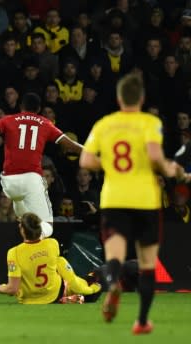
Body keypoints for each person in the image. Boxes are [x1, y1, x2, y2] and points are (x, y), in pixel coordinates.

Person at [79, 73, 189, 334]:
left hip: (114, 198)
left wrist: (108, 165)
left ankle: (113, 283)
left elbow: (85, 161)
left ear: (119, 98)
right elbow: (154, 156)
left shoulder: (105, 124)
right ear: (140, 98)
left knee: (114, 257)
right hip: (145, 200)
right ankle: (141, 322)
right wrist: (171, 169)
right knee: (147, 264)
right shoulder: (150, 122)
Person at [0, 93, 83, 238]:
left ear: (21, 107)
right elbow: (70, 145)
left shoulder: (8, 120)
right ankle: (40, 252)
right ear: (38, 109)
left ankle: (26, 245)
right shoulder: (45, 123)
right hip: (31, 180)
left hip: (9, 183)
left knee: (26, 222)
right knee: (47, 227)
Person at [0, 213, 101, 305]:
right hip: (54, 293)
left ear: (22, 230)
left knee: (59, 264)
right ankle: (88, 284)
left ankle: (81, 291)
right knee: (61, 262)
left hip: (30, 300)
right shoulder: (52, 244)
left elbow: (12, 289)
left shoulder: (14, 253)